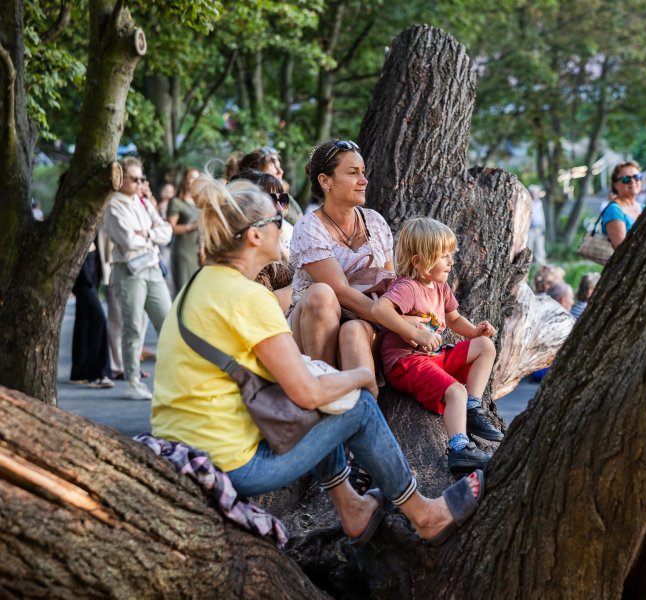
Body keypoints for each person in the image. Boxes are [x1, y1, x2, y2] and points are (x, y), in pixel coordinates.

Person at [151, 173, 483, 546]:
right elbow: (306, 393)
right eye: (277, 220)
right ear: (254, 235)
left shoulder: (198, 284)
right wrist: (361, 376)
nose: (284, 224)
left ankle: (352, 509)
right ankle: (424, 514)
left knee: (329, 399)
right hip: (231, 464)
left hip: (182, 444)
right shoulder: (248, 298)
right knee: (357, 407)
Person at [372, 218, 503, 476]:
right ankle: (459, 448)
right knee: (455, 391)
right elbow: (379, 310)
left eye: (450, 255)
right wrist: (413, 333)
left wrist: (475, 331)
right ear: (418, 262)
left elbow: (454, 319)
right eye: (443, 256)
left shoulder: (440, 287)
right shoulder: (407, 287)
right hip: (408, 362)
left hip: (435, 356)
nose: (450, 262)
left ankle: (472, 407)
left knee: (485, 346)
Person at [289, 140, 394, 372]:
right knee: (321, 293)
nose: (363, 180)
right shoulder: (309, 227)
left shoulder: (375, 221)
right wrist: (394, 320)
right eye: (353, 173)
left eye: (363, 172)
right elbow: (339, 291)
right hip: (315, 325)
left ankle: (361, 399)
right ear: (325, 181)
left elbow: (391, 280)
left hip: (367, 322)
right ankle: (322, 380)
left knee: (354, 331)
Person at [102, 156, 172, 400]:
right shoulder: (113, 206)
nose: (139, 183)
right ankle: (132, 381)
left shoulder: (143, 202)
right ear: (120, 179)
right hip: (129, 270)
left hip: (152, 267)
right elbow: (128, 241)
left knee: (168, 323)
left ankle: (171, 379)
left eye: (142, 178)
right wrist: (151, 235)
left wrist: (147, 233)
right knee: (132, 327)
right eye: (134, 179)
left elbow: (167, 231)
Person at [234, 169, 294, 312]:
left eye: (283, 200)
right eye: (272, 200)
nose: (280, 208)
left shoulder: (275, 249)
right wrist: (305, 285)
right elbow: (265, 310)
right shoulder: (251, 262)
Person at [70, 239, 114, 388]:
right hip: (81, 270)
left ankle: (79, 371)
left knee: (84, 319)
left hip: (92, 261)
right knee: (99, 317)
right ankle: (98, 374)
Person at [167, 167, 202, 292]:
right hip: (183, 252)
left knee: (197, 290)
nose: (195, 181)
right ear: (184, 180)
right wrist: (191, 226)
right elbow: (170, 228)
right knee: (184, 291)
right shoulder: (176, 202)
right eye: (192, 177)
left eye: (198, 178)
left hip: (198, 251)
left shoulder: (199, 202)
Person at [602, 161, 644, 249]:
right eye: (626, 179)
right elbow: (621, 249)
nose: (632, 181)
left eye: (636, 177)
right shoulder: (614, 210)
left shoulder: (644, 208)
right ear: (615, 185)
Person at [527, 185, 546, 265]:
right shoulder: (527, 202)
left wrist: (543, 228)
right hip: (530, 229)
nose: (535, 195)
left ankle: (541, 264)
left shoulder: (539, 203)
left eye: (536, 193)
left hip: (538, 228)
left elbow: (541, 216)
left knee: (540, 247)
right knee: (529, 247)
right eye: (533, 193)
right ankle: (527, 264)